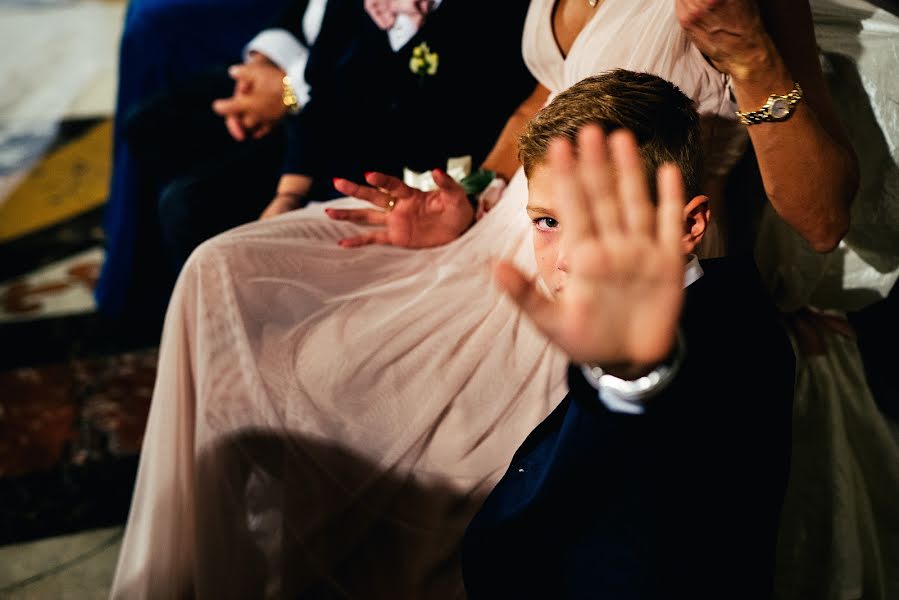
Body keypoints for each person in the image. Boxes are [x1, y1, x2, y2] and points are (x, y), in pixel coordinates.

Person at [112, 0, 882, 597]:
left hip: (604, 275)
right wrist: (469, 197)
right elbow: (536, 108)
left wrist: (749, 55)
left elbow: (819, 218)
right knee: (224, 271)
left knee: (346, 380)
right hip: (504, 225)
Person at [461, 69, 794, 599]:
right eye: (548, 222)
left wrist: (631, 377)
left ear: (688, 226)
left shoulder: (732, 345)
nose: (568, 257)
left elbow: (670, 450)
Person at [105, 0, 536, 320]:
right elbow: (327, 82)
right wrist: (286, 196)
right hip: (328, 119)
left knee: (190, 209)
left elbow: (466, 113)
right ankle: (156, 295)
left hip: (388, 157)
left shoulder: (489, 16)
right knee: (151, 125)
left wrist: (291, 97)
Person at [95, 0, 294, 321]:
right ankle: (144, 266)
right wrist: (265, 59)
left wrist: (288, 89)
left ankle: (172, 287)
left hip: (318, 72)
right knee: (147, 123)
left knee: (155, 26)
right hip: (301, 42)